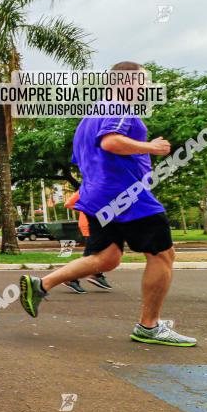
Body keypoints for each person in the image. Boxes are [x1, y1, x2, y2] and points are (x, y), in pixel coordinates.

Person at [19, 61, 195, 346]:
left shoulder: (89, 117)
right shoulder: (118, 107)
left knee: (107, 257)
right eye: (142, 82)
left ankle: (42, 285)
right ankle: (149, 327)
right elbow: (111, 143)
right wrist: (152, 147)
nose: (145, 88)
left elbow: (86, 159)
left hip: (98, 196)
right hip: (127, 195)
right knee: (163, 255)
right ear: (125, 82)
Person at [61, 190, 113, 294]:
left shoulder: (106, 186)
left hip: (102, 225)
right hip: (90, 225)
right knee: (91, 256)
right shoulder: (86, 188)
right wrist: (86, 211)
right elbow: (68, 204)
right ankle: (70, 278)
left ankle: (95, 274)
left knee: (99, 253)